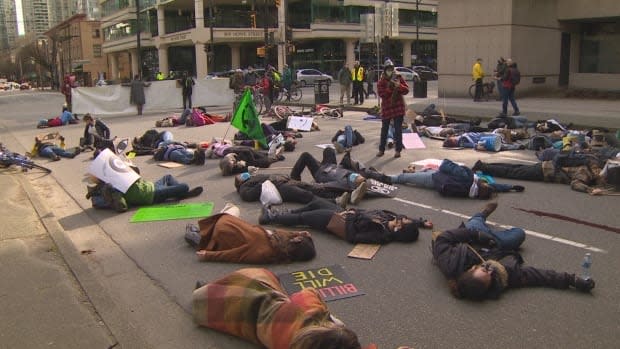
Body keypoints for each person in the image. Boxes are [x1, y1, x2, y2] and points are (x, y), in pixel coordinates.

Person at [432, 202, 596, 300]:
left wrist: (476, 235)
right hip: (497, 245)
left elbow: (443, 238)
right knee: (519, 234)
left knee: (475, 223)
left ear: (471, 269)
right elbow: (538, 276)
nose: (488, 269)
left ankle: (481, 215)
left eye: (483, 269)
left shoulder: (450, 263)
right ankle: (490, 229)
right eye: (489, 275)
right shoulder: (502, 275)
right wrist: (572, 280)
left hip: (472, 236)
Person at [192, 268, 366, 349]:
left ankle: (209, 289)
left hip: (258, 301)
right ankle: (210, 290)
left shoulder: (309, 311)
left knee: (253, 286)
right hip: (257, 313)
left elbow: (306, 293)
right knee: (229, 299)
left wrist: (325, 312)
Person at [259, 197, 425, 244]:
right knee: (316, 202)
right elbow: (404, 218)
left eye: (403, 222)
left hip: (341, 224)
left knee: (306, 218)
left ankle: (271, 218)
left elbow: (355, 238)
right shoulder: (389, 217)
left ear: (398, 230)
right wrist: (420, 222)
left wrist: (352, 218)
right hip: (347, 214)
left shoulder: (381, 234)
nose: (402, 218)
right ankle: (287, 213)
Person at [183, 208, 316, 263]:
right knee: (232, 210)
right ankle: (199, 235)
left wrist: (209, 256)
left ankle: (198, 237)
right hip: (231, 227)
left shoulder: (265, 252)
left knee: (232, 209)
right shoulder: (282, 246)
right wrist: (297, 232)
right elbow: (282, 234)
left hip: (224, 232)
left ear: (298, 241)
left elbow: (236, 255)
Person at [389, 159, 524, 199]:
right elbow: (497, 187)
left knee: (405, 178)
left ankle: (386, 178)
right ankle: (410, 172)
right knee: (420, 173)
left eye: (487, 183)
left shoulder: (468, 178)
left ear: (482, 184)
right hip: (440, 179)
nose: (488, 182)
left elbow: (445, 165)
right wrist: (511, 187)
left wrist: (457, 165)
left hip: (434, 179)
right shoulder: (474, 192)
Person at [472, 157, 610, 195]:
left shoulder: (588, 164)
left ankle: (484, 165)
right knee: (512, 172)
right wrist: (590, 190)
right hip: (543, 173)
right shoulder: (585, 173)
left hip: (544, 166)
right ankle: (483, 167)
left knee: (514, 168)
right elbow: (575, 184)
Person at [290, 148, 369, 204]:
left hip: (321, 172)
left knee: (305, 155)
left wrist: (315, 185)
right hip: (331, 166)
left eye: (358, 178)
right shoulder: (352, 173)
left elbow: (326, 186)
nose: (359, 177)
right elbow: (367, 175)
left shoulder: (342, 183)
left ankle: (293, 180)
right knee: (329, 150)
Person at [90, 174, 204, 212]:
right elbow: (122, 207)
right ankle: (182, 193)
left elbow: (137, 179)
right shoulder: (112, 189)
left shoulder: (114, 178)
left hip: (151, 186)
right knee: (185, 186)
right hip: (151, 195)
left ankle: (178, 193)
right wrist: (114, 190)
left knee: (168, 177)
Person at [235, 172, 350, 205]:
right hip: (279, 188)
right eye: (240, 175)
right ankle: (335, 201)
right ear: (239, 182)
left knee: (313, 188)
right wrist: (264, 184)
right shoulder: (243, 187)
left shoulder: (254, 177)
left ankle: (344, 195)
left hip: (285, 181)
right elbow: (249, 196)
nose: (243, 174)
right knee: (305, 195)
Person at [377, 59, 409, 158]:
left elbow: (406, 90)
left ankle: (398, 151)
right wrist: (390, 87)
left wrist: (399, 86)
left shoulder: (398, 77)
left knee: (398, 129)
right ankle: (381, 150)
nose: (390, 71)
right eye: (388, 69)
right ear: (385, 70)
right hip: (387, 108)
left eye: (391, 69)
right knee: (384, 130)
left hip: (398, 107)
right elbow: (382, 94)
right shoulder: (381, 81)